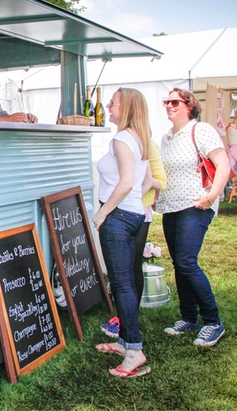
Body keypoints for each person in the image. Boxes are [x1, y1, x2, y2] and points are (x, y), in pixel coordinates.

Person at [155, 88, 230, 347]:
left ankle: (213, 321)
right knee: (179, 263)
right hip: (171, 206)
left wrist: (211, 196)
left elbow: (224, 165)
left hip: (196, 204)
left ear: (189, 105)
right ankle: (189, 317)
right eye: (166, 102)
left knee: (187, 262)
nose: (168, 105)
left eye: (174, 102)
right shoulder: (166, 138)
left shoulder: (202, 130)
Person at [92, 88, 153, 378]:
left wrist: (104, 212)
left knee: (122, 284)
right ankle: (124, 341)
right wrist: (130, 207)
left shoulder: (121, 139)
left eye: (113, 102)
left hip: (117, 218)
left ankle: (134, 351)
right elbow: (148, 179)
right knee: (126, 281)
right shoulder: (140, 137)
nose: (108, 105)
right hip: (134, 216)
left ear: (126, 107)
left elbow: (127, 182)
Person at [100, 137, 165, 340]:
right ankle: (127, 322)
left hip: (133, 211)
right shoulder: (127, 141)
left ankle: (128, 322)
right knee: (126, 271)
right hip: (126, 210)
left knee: (131, 267)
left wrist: (134, 194)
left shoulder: (145, 143)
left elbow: (160, 181)